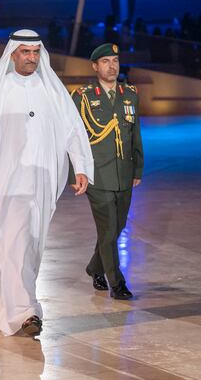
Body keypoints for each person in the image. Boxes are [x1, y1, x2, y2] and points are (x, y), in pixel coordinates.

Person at [0, 29, 94, 337]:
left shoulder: (51, 88)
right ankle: (24, 313)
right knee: (14, 244)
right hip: (10, 184)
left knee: (33, 247)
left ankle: (17, 309)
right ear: (12, 54)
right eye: (25, 52)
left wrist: (81, 167)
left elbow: (73, 129)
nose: (31, 58)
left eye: (36, 52)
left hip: (44, 181)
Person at [69, 43, 143, 300]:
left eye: (115, 60)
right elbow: (73, 137)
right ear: (95, 66)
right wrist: (75, 172)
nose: (112, 66)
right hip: (96, 173)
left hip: (123, 171)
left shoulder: (129, 94)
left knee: (117, 226)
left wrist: (138, 167)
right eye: (105, 61)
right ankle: (117, 282)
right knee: (109, 229)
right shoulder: (83, 96)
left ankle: (94, 267)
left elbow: (135, 134)